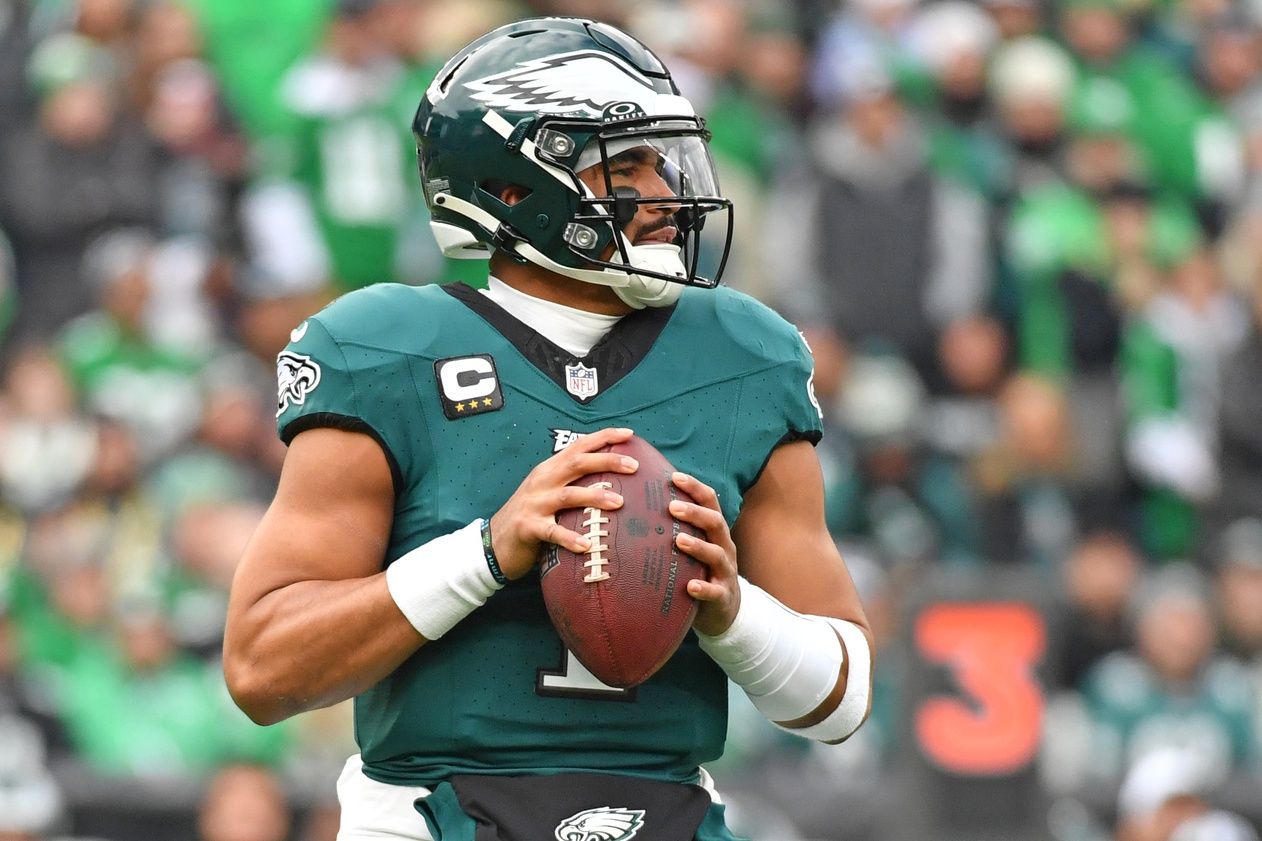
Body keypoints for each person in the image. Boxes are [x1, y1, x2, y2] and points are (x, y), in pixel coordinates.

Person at [223, 17, 873, 841]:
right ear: (515, 188)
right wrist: (485, 554)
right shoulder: (387, 348)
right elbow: (263, 667)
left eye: (665, 159)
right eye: (626, 164)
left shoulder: (745, 354)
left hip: (669, 810)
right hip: (429, 809)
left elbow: (843, 699)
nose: (668, 192)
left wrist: (729, 609)